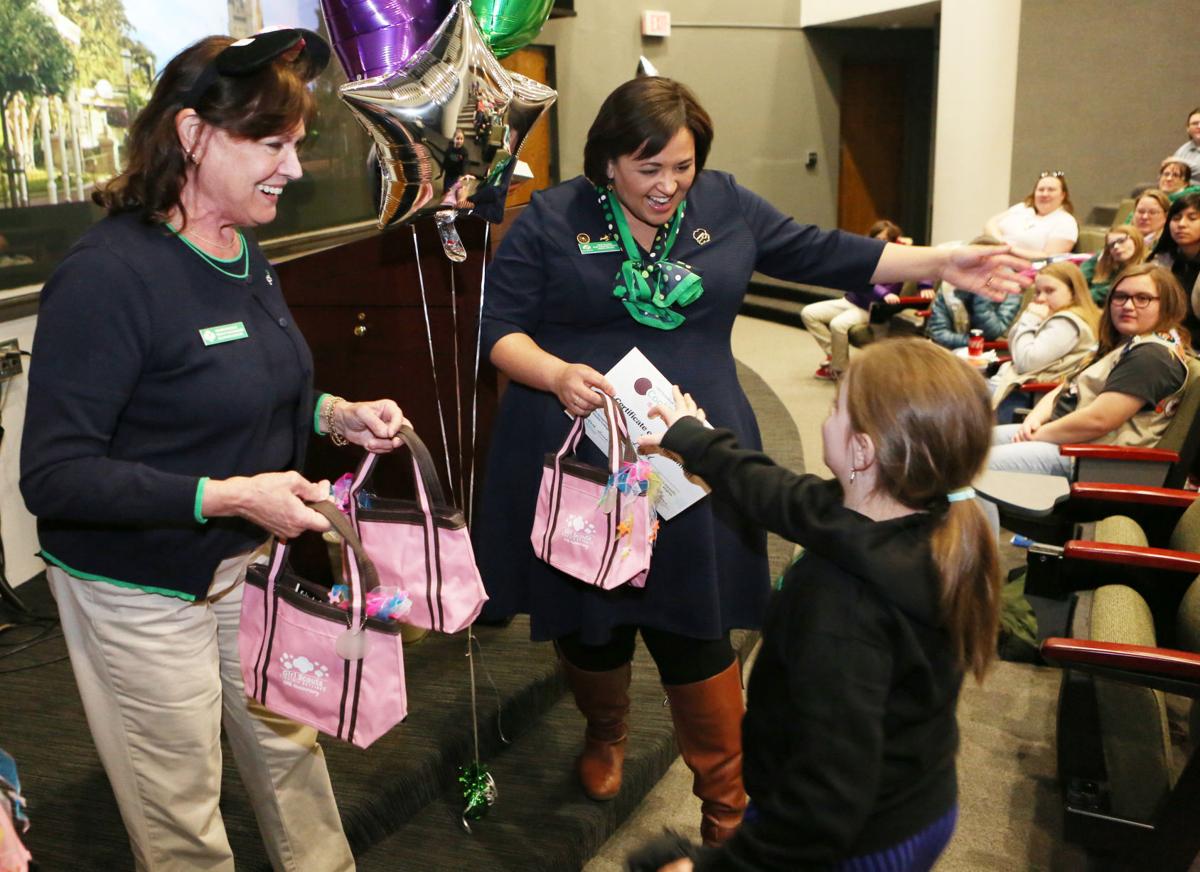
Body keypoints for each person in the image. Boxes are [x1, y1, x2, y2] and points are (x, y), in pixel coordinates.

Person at [471, 75, 1027, 847]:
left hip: (695, 451)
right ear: (607, 163)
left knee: (693, 621)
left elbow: (826, 250)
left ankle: (726, 800)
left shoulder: (725, 204)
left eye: (682, 166)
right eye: (648, 169)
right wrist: (557, 374)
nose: (668, 186)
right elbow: (498, 329)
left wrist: (942, 263)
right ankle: (607, 730)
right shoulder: (552, 219)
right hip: (583, 448)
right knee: (590, 618)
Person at [19, 31, 409, 871]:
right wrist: (229, 496)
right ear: (193, 135)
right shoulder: (107, 276)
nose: (295, 170)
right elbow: (54, 477)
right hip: (140, 585)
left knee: (291, 753)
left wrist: (339, 416)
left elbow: (260, 389)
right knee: (182, 807)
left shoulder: (242, 248)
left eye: (296, 146)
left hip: (245, 561)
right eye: (272, 145)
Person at [629, 339, 1001, 871]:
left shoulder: (843, 605)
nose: (825, 417)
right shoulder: (921, 517)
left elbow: (819, 812)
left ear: (863, 451)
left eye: (834, 408)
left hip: (857, 845)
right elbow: (783, 495)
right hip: (917, 797)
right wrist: (697, 441)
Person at [988, 264, 1191, 478]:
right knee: (967, 446)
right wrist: (1035, 418)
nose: (1128, 306)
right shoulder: (1125, 342)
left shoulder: (1151, 356)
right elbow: (1068, 386)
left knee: (972, 466)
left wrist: (1039, 435)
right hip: (1062, 435)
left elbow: (1099, 420)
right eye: (1120, 297)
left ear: (1167, 304)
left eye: (1143, 298)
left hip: (1088, 458)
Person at [800, 219, 934, 380]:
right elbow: (861, 279)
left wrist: (925, 286)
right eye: (877, 238)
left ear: (893, 240)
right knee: (808, 313)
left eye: (885, 239)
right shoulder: (865, 252)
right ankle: (834, 356)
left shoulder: (899, 253)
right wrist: (884, 293)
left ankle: (840, 371)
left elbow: (923, 263)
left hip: (869, 307)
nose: (880, 242)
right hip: (851, 300)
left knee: (838, 325)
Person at [989, 262, 1100, 423]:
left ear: (1073, 292)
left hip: (1027, 396)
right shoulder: (1070, 315)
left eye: (1049, 291)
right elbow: (1015, 346)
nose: (1040, 299)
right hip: (1021, 390)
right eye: (1038, 292)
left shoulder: (1066, 322)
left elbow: (1025, 363)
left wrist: (1030, 319)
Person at [984, 171, 1078, 258]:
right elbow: (991, 223)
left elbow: (1048, 257)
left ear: (1063, 195)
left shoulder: (1066, 221)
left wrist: (1009, 250)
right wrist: (1001, 242)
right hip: (991, 254)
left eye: (1051, 190)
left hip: (1019, 268)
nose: (1045, 194)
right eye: (1041, 190)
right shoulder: (1022, 208)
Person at [1151, 192, 1200, 334]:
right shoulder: (1160, 261)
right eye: (1176, 218)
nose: (1181, 224)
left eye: (1192, 218)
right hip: (1166, 338)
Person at [1080, 226, 1146, 304]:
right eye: (1111, 245)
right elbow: (1077, 278)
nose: (1116, 247)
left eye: (1121, 241)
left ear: (1136, 240)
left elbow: (1113, 291)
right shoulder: (1102, 260)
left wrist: (1079, 297)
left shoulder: (1146, 269)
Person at [1173, 107, 1200, 180]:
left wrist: (1180, 163)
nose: (1199, 126)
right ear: (1188, 129)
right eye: (1195, 124)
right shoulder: (1183, 150)